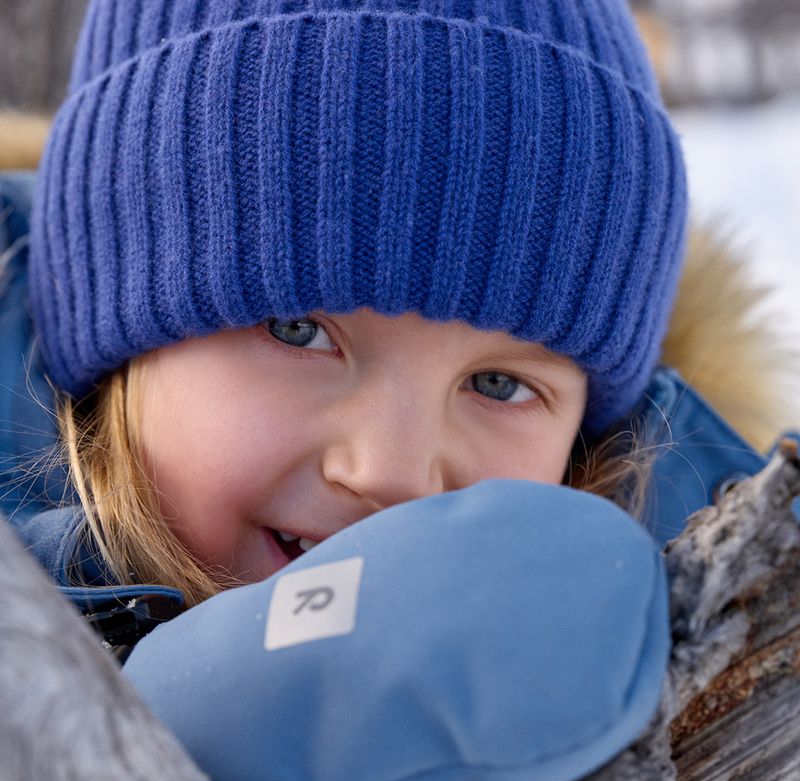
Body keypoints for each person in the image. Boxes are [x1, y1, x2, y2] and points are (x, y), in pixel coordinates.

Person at [0, 0, 792, 648]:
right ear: (106, 335)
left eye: (497, 384)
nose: (392, 475)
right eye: (299, 330)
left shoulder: (707, 665)